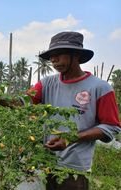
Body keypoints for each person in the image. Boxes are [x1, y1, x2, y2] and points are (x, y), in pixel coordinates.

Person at [28, 31, 121, 190]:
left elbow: (112, 126)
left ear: (76, 55)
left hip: (74, 170)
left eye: (59, 54)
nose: (53, 59)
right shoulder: (46, 84)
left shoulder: (100, 88)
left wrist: (71, 138)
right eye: (51, 55)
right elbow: (23, 102)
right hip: (44, 163)